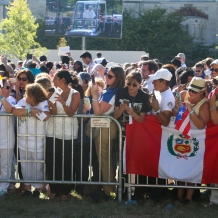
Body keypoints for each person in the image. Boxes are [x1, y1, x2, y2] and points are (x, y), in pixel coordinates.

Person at [114, 70, 151, 199]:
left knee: (138, 162)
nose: (131, 87)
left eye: (134, 85)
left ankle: (139, 193)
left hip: (138, 134)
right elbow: (115, 115)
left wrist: (132, 113)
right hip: (123, 132)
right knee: (123, 163)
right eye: (129, 83)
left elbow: (141, 119)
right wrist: (121, 109)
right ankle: (122, 192)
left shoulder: (144, 96)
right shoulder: (121, 92)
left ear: (140, 84)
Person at [172, 77, 210, 203]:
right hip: (181, 138)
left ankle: (188, 198)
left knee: (192, 168)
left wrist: (190, 110)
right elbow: (174, 114)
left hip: (196, 142)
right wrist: (176, 108)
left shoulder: (204, 104)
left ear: (202, 92)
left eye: (194, 91)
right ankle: (178, 196)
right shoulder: (183, 95)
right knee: (181, 166)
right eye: (190, 89)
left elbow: (201, 125)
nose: (191, 93)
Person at [90, 66, 125, 200]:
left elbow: (98, 111)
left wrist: (94, 95)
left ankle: (108, 190)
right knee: (107, 158)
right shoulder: (115, 91)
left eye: (110, 76)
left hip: (107, 127)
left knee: (105, 158)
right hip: (110, 126)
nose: (106, 78)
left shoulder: (111, 92)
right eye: (106, 75)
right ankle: (109, 187)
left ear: (118, 78)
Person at [46, 70, 80, 202]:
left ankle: (66, 191)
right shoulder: (53, 91)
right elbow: (53, 113)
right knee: (52, 162)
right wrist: (51, 103)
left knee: (67, 163)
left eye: (55, 78)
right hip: (52, 131)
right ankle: (54, 189)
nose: (53, 81)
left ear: (63, 80)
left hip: (69, 133)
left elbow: (71, 113)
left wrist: (63, 102)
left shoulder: (75, 94)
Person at [12, 83, 50, 198]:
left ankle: (38, 189)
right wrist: (30, 110)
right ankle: (27, 189)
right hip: (23, 140)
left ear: (33, 95)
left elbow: (45, 116)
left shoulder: (44, 103)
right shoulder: (24, 102)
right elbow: (15, 111)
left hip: (38, 141)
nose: (25, 96)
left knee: (38, 165)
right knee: (25, 165)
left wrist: (34, 111)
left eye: (27, 94)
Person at [0, 80, 16, 198]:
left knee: (5, 165)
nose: (9, 90)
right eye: (7, 87)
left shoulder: (10, 99)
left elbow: (10, 110)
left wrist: (1, 97)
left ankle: (3, 189)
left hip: (6, 139)